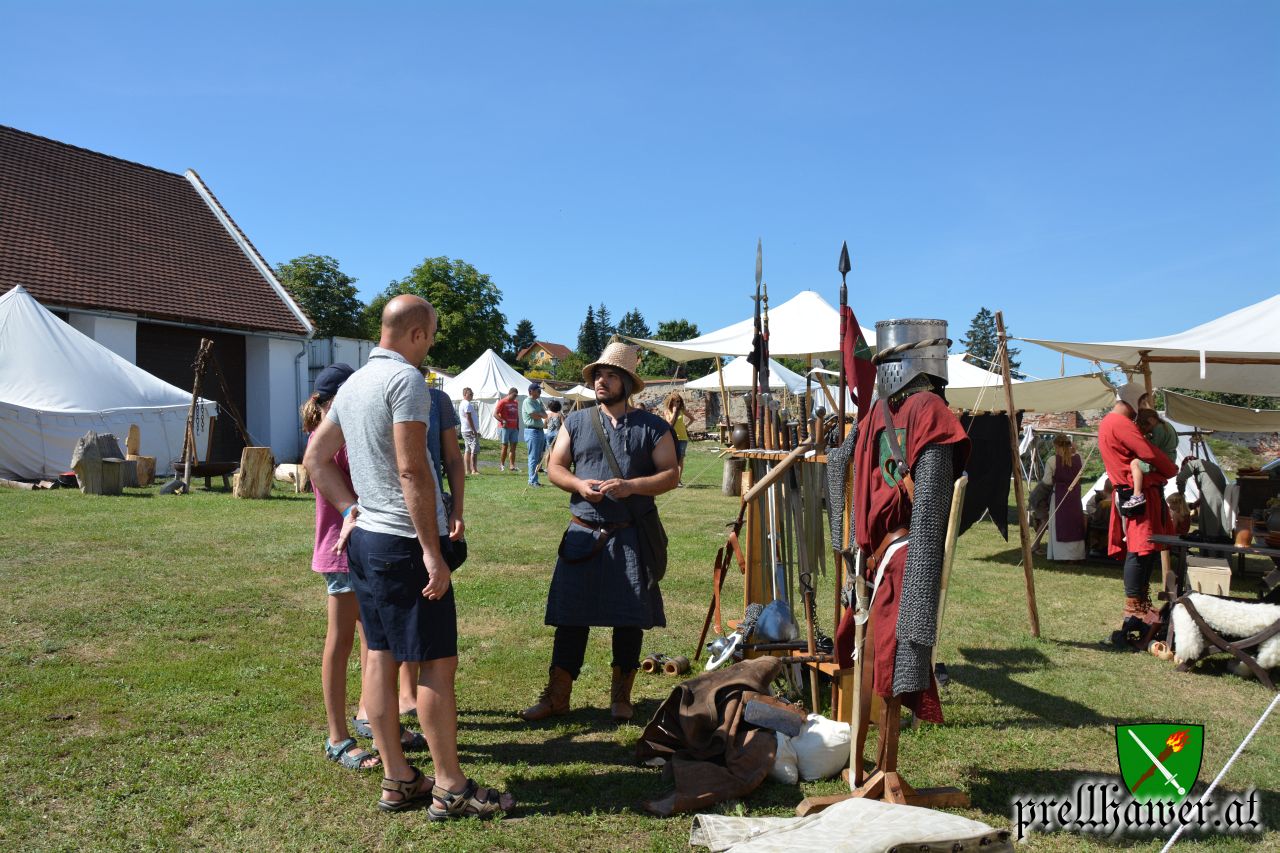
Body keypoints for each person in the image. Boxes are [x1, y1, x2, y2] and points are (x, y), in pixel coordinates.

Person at [304, 295, 512, 818]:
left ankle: (398, 779)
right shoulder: (406, 382)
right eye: (433, 335)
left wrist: (351, 508)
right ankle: (450, 787)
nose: (432, 345)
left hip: (367, 541)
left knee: (378, 655)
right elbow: (412, 470)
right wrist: (432, 552)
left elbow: (314, 458)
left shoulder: (352, 384)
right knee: (436, 667)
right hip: (403, 544)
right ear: (417, 334)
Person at [520, 342, 678, 723]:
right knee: (571, 616)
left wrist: (632, 487)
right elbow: (555, 466)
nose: (601, 382)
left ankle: (621, 698)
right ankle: (558, 697)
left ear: (626, 381)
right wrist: (577, 484)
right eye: (597, 376)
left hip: (629, 535)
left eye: (609, 376)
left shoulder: (652, 427)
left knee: (629, 617)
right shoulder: (576, 421)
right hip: (583, 534)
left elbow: (671, 474)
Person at [840, 319, 970, 727]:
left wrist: (841, 542)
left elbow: (836, 464)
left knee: (874, 655)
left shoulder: (876, 411)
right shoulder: (930, 409)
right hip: (900, 558)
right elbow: (930, 513)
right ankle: (878, 756)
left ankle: (867, 755)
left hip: (872, 558)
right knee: (888, 660)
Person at [302, 363, 380, 772]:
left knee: (375, 640)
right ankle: (337, 737)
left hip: (365, 548)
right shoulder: (326, 440)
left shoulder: (350, 433)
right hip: (340, 553)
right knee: (342, 640)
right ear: (328, 401)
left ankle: (372, 718)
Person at [397, 381, 467, 719]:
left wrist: (457, 510)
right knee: (408, 611)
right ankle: (406, 693)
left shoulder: (438, 400)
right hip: (395, 520)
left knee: (429, 604)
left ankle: (418, 694)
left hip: (433, 514)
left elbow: (453, 458)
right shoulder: (385, 391)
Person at [1097, 382, 1178, 651]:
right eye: (1143, 401)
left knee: (1145, 550)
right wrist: (1170, 468)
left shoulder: (1116, 422)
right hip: (1136, 495)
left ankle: (1141, 603)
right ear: (1135, 400)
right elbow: (1146, 452)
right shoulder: (1120, 423)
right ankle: (1135, 607)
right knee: (1139, 550)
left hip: (1138, 492)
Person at [1038, 435, 1087, 561]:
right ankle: (1075, 555)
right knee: (1074, 523)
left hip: (1060, 495)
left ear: (1056, 445)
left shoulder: (1052, 460)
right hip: (1074, 496)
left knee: (1060, 523)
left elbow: (1047, 481)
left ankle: (1061, 555)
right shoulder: (1079, 457)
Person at [1124, 408, 1178, 513]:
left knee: (1135, 463)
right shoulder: (1167, 426)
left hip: (1163, 461)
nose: (1147, 430)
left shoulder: (1158, 429)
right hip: (1170, 457)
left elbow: (1152, 450)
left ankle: (1137, 494)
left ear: (1151, 420)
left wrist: (1143, 441)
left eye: (1146, 427)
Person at [1177, 455, 1231, 542]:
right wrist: (1194, 505)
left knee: (1210, 529)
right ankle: (1220, 552)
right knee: (1220, 529)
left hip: (1212, 500)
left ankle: (1210, 552)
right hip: (1221, 498)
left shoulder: (1192, 464)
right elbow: (1208, 492)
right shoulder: (1210, 466)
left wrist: (1181, 493)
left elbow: (1180, 478)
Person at [522, 382, 548, 486]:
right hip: (532, 431)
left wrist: (540, 413)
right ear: (531, 391)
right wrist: (540, 414)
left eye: (540, 390)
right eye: (538, 390)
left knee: (537, 457)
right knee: (533, 457)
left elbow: (545, 415)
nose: (540, 392)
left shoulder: (537, 402)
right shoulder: (527, 401)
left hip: (539, 431)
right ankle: (532, 481)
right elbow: (534, 415)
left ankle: (535, 480)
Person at [663, 392, 690, 487]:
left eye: (679, 401)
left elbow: (692, 418)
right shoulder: (667, 411)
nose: (677, 404)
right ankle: (670, 479)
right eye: (675, 401)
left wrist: (686, 426)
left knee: (680, 459)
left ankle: (678, 480)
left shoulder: (682, 410)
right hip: (672, 438)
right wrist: (674, 412)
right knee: (672, 460)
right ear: (671, 402)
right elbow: (669, 424)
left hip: (682, 438)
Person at [494, 387, 520, 473]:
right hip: (505, 428)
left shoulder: (516, 402)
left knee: (513, 447)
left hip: (514, 428)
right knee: (505, 446)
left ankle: (512, 465)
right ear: (510, 393)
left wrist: (517, 425)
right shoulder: (502, 402)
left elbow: (517, 415)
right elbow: (495, 414)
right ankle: (502, 465)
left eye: (516, 395)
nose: (515, 397)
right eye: (514, 395)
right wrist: (503, 420)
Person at [459, 387, 480, 475]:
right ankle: (474, 470)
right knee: (474, 450)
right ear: (465, 394)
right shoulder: (467, 404)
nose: (472, 395)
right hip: (469, 430)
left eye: (472, 394)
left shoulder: (462, 403)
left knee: (467, 450)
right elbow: (469, 417)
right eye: (470, 394)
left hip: (465, 430)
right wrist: (474, 430)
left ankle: (467, 469)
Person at [540, 399, 563, 474]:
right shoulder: (560, 415)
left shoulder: (548, 415)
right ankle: (554, 468)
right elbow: (564, 425)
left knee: (549, 452)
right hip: (557, 434)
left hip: (549, 435)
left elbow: (544, 426)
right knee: (556, 452)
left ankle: (547, 468)